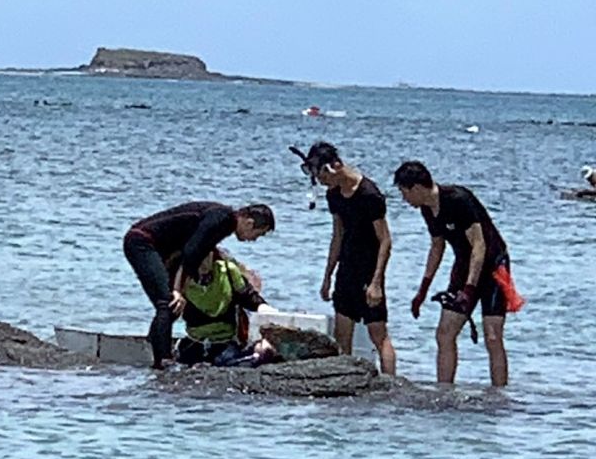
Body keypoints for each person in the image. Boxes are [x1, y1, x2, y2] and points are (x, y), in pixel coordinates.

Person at [393, 161, 523, 388]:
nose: (404, 199)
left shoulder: (458, 199)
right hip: (464, 266)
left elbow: (479, 245)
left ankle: (499, 396)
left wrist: (470, 289)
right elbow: (437, 246)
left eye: (404, 193)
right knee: (444, 333)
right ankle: (445, 390)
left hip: (493, 266)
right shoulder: (427, 208)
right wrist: (422, 290)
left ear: (416, 187)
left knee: (492, 337)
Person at [123, 202, 275, 369]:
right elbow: (191, 253)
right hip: (142, 243)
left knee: (171, 307)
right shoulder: (223, 220)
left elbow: (198, 251)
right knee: (168, 303)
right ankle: (162, 362)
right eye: (257, 235)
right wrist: (177, 290)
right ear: (249, 223)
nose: (253, 240)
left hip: (161, 246)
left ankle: (156, 345)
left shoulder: (223, 221)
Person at [294, 142, 396, 375]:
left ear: (336, 166)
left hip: (369, 269)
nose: (322, 183)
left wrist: (376, 282)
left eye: (323, 176)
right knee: (342, 332)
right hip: (346, 268)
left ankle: (392, 385)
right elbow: (337, 236)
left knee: (377, 333)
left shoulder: (369, 194)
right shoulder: (334, 195)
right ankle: (344, 381)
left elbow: (385, 240)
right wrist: (327, 276)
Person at [175, 249, 271, 366]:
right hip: (195, 341)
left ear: (212, 254)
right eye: (198, 257)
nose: (203, 263)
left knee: (239, 361)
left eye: (206, 256)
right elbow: (166, 312)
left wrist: (263, 308)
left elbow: (247, 296)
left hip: (225, 342)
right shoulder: (180, 278)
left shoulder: (228, 271)